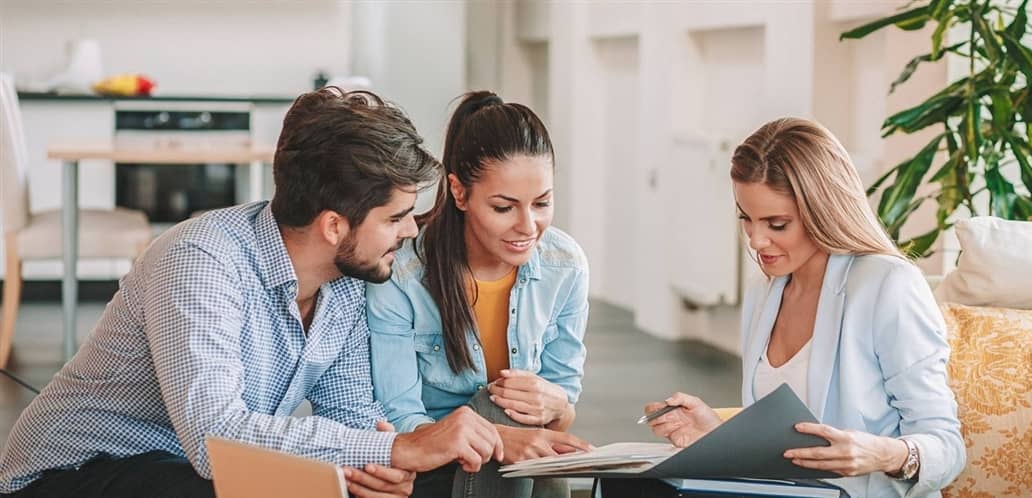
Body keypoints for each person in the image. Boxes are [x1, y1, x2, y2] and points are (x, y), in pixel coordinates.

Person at [0, 87, 506, 498]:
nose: (410, 231)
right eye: (395, 218)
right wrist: (396, 450)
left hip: (188, 471)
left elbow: (349, 417)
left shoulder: (350, 280)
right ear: (333, 225)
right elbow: (213, 437)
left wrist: (376, 464)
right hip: (68, 477)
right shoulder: (200, 260)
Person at [644, 118, 965, 498]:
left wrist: (882, 454)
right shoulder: (763, 295)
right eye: (746, 218)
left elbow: (947, 448)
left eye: (777, 224)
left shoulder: (887, 286)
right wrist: (715, 433)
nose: (756, 240)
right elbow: (786, 444)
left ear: (823, 210)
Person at [367, 91, 591, 498]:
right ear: (459, 192)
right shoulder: (402, 272)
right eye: (504, 207)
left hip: (519, 470)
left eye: (542, 203)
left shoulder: (566, 265)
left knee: (525, 418)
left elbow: (562, 412)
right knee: (499, 406)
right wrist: (499, 436)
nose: (528, 226)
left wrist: (556, 406)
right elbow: (400, 418)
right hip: (432, 468)